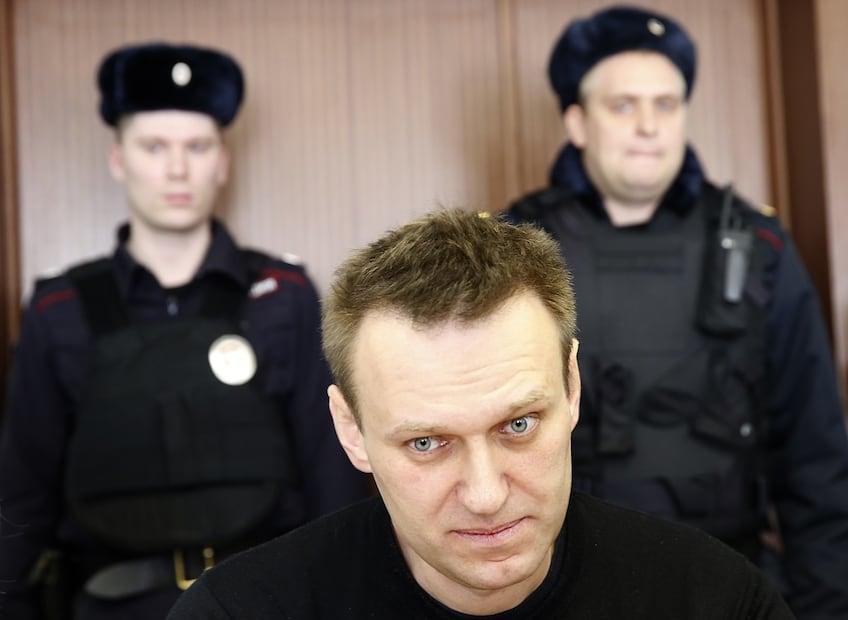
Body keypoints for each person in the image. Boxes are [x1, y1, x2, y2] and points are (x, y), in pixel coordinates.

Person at [165, 208, 794, 619]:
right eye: (427, 444)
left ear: (572, 386)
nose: (487, 495)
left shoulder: (718, 604)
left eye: (517, 426)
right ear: (350, 429)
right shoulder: (236, 616)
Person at [0, 42, 369, 620]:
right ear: (118, 159)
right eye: (154, 146)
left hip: (264, 601)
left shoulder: (284, 296)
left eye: (196, 147)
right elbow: (20, 496)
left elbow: (334, 479)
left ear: (222, 160)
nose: (177, 169)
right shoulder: (60, 311)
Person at [504, 5, 848, 619]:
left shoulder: (758, 246)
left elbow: (815, 456)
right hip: (562, 593)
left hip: (728, 585)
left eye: (666, 105)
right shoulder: (514, 249)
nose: (648, 126)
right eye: (624, 105)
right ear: (578, 122)